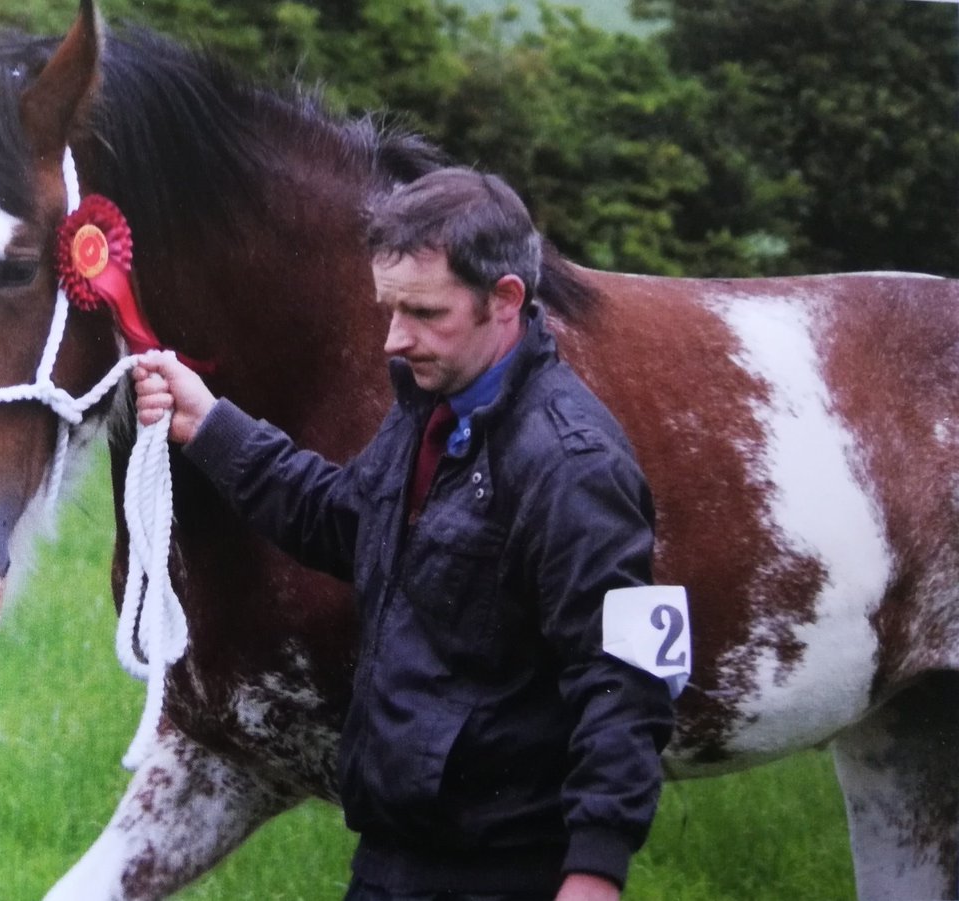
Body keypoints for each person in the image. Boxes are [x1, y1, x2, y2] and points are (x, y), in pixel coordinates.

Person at [132, 167, 674, 901]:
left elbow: (628, 678)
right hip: (397, 852)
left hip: (506, 871)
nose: (395, 339)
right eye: (388, 309)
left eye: (423, 311)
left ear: (504, 300)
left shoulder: (575, 466)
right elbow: (347, 522)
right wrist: (213, 427)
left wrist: (594, 872)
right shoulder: (430, 405)